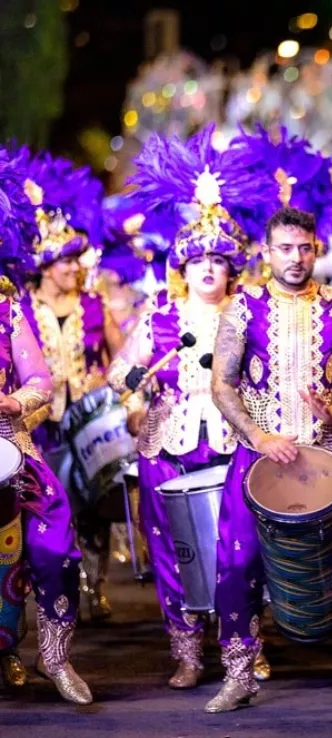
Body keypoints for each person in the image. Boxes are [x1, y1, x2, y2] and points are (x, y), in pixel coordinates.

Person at [208, 207, 332, 711]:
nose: (296, 258)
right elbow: (221, 385)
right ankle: (238, 674)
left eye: (304, 247)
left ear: (316, 248)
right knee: (236, 564)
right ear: (266, 252)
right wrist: (258, 436)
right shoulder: (242, 307)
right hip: (259, 459)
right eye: (284, 248)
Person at [109, 137, 261, 689]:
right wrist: (135, 394)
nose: (207, 270)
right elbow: (118, 375)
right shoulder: (161, 318)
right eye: (198, 260)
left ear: (231, 269)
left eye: (218, 261)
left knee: (239, 549)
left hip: (233, 440)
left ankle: (244, 645)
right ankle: (188, 652)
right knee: (177, 549)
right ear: (183, 266)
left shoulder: (249, 315)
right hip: (168, 442)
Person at [0, 148, 94, 704]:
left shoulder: (7, 309)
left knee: (53, 544)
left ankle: (54, 659)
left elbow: (42, 382)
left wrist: (14, 403)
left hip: (11, 448)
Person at [18, 153, 123, 624]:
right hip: (39, 424)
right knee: (45, 507)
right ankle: (46, 597)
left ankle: (94, 585)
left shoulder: (96, 305)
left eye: (75, 260)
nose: (73, 268)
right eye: (63, 262)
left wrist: (110, 385)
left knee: (95, 503)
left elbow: (120, 358)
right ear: (43, 266)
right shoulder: (19, 308)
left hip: (88, 422)